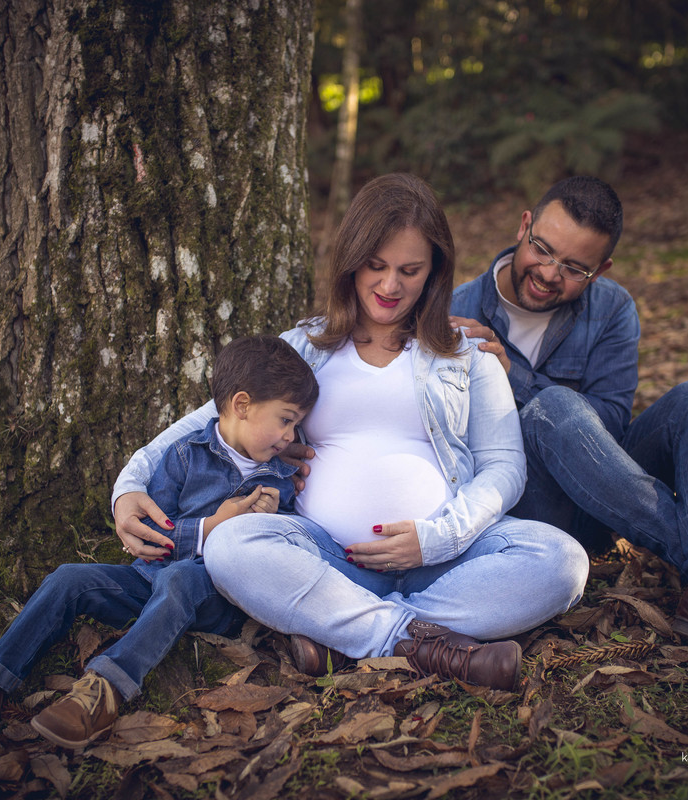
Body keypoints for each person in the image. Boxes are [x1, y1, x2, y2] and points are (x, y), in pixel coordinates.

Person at [112, 173, 590, 691]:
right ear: (350, 263)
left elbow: (504, 467)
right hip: (326, 557)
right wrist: (129, 485)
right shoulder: (303, 348)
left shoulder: (467, 355)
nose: (390, 286)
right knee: (231, 546)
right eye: (376, 266)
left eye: (410, 270)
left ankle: (349, 632)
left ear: (434, 272)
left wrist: (437, 539)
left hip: (449, 560)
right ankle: (414, 639)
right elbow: (209, 420)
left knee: (562, 561)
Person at [448, 175, 688, 667]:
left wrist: (517, 378)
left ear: (601, 269)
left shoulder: (613, 309)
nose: (550, 273)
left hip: (603, 501)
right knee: (555, 406)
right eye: (543, 250)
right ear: (524, 226)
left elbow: (614, 423)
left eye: (574, 267)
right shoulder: (455, 310)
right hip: (531, 511)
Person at [0, 335, 319, 751]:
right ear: (241, 405)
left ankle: (102, 692)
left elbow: (282, 552)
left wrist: (268, 521)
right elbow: (154, 534)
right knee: (68, 579)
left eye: (295, 424)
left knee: (181, 579)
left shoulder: (277, 479)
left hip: (211, 597)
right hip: (147, 582)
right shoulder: (184, 455)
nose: (291, 436)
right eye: (286, 420)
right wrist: (211, 527)